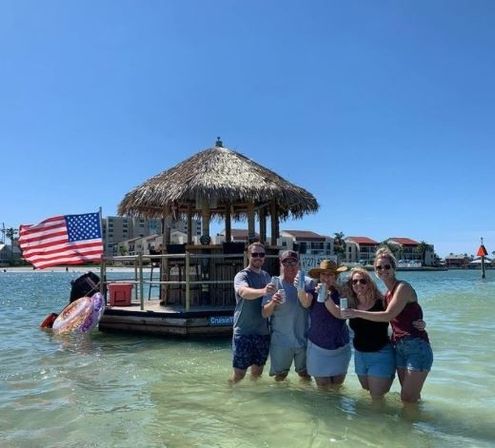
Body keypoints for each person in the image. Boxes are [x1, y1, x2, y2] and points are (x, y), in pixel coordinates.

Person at [342, 248, 433, 403]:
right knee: (411, 398)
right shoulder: (387, 295)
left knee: (407, 397)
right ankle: (412, 425)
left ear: (394, 268)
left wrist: (356, 313)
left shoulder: (402, 287)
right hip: (398, 347)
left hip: (416, 346)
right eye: (379, 267)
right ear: (375, 271)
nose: (383, 270)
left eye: (386, 266)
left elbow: (389, 315)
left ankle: (411, 425)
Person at [298, 259, 351, 389]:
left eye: (330, 274)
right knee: (323, 388)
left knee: (337, 387)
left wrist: (327, 297)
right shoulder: (313, 289)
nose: (326, 278)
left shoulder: (342, 291)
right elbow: (305, 303)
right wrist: (299, 289)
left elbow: (340, 314)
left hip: (340, 346)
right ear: (319, 276)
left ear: (336, 276)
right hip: (318, 346)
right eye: (323, 274)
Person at [345, 267, 396, 399]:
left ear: (369, 283)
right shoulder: (351, 304)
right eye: (354, 281)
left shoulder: (382, 301)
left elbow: (399, 315)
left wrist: (419, 322)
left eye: (362, 281)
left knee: (376, 397)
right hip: (360, 355)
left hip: (381, 354)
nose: (358, 284)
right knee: (367, 391)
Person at [230, 242, 276, 384]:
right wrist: (263, 291)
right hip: (243, 332)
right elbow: (244, 292)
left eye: (261, 254)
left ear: (264, 257)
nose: (258, 257)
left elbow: (269, 303)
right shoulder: (241, 276)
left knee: (257, 373)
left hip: (262, 333)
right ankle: (229, 395)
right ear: (248, 255)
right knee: (239, 375)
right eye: (254, 254)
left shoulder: (267, 276)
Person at [262, 250, 310, 381]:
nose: (290, 265)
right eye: (286, 262)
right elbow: (265, 313)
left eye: (293, 262)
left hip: (304, 341)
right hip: (280, 342)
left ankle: (308, 401)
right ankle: (278, 402)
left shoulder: (308, 283)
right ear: (280, 264)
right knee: (280, 377)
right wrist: (273, 302)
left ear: (298, 264)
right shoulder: (274, 284)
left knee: (305, 376)